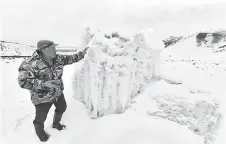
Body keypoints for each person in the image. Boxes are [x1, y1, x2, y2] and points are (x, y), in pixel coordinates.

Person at [18, 40, 89, 142]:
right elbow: (22, 82)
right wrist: (43, 84)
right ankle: (40, 132)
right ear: (44, 50)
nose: (55, 50)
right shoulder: (29, 64)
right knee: (40, 118)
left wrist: (83, 53)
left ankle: (56, 124)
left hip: (58, 92)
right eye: (52, 48)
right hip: (42, 98)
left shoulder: (58, 58)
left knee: (62, 107)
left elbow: (71, 58)